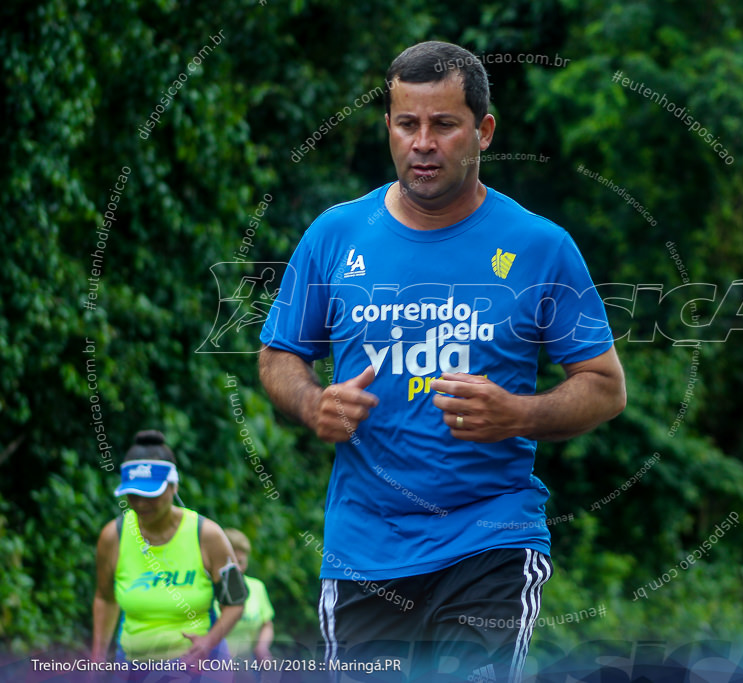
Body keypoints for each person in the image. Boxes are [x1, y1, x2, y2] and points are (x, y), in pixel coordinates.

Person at [258, 40, 626, 682]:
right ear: (389, 128)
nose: (423, 143)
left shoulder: (540, 246)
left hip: (491, 539)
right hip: (364, 550)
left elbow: (604, 386)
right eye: (408, 124)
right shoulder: (335, 235)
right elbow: (280, 354)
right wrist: (312, 402)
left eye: (443, 125)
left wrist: (518, 413)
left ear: (482, 131)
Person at [92, 430, 248, 680]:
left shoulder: (206, 535)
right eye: (133, 493)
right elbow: (105, 598)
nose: (141, 503)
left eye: (151, 493)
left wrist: (208, 642)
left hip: (199, 664)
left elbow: (235, 601)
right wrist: (98, 659)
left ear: (174, 485)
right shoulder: (114, 536)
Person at [221, 528, 275, 663]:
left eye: (240, 562)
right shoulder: (209, 589)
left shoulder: (257, 587)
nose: (237, 569)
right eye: (232, 563)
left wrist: (262, 648)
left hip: (248, 662)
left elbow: (266, 625)